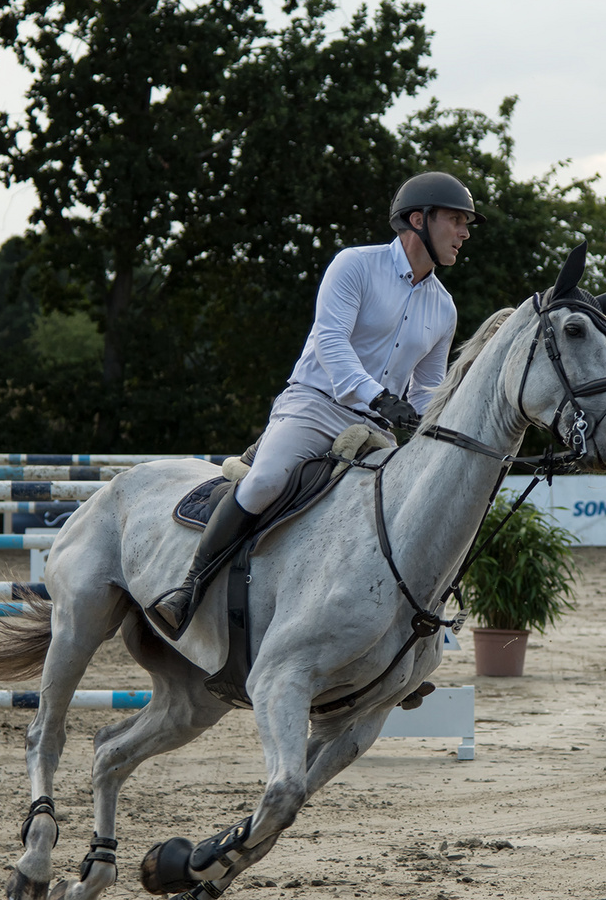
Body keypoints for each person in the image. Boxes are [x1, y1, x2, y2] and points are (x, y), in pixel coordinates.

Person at [148, 171, 485, 636]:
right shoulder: (355, 265)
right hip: (314, 404)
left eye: (467, 223)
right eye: (456, 220)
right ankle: (189, 588)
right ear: (417, 219)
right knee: (267, 480)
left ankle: (391, 649)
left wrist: (431, 421)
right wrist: (379, 396)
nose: (465, 232)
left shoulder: (444, 308)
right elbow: (330, 341)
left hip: (375, 428)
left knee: (405, 512)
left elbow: (428, 385)